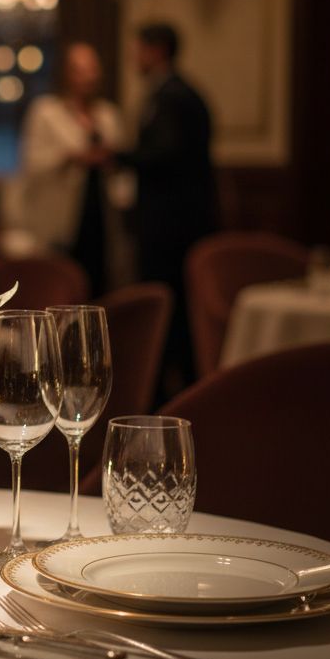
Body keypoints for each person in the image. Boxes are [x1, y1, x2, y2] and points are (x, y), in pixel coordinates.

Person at [115, 22, 217, 392]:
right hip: (174, 222)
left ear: (156, 50)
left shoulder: (174, 96)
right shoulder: (175, 92)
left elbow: (168, 155)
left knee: (172, 307)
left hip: (174, 226)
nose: (133, 58)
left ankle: (169, 391)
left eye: (138, 49)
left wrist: (117, 155)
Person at [13, 42, 123, 296]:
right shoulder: (46, 112)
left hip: (100, 211)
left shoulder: (108, 115)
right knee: (59, 286)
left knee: (99, 285)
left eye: (92, 69)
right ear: (65, 73)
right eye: (79, 69)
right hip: (59, 216)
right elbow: (31, 163)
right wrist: (70, 157)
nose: (88, 76)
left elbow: (120, 162)